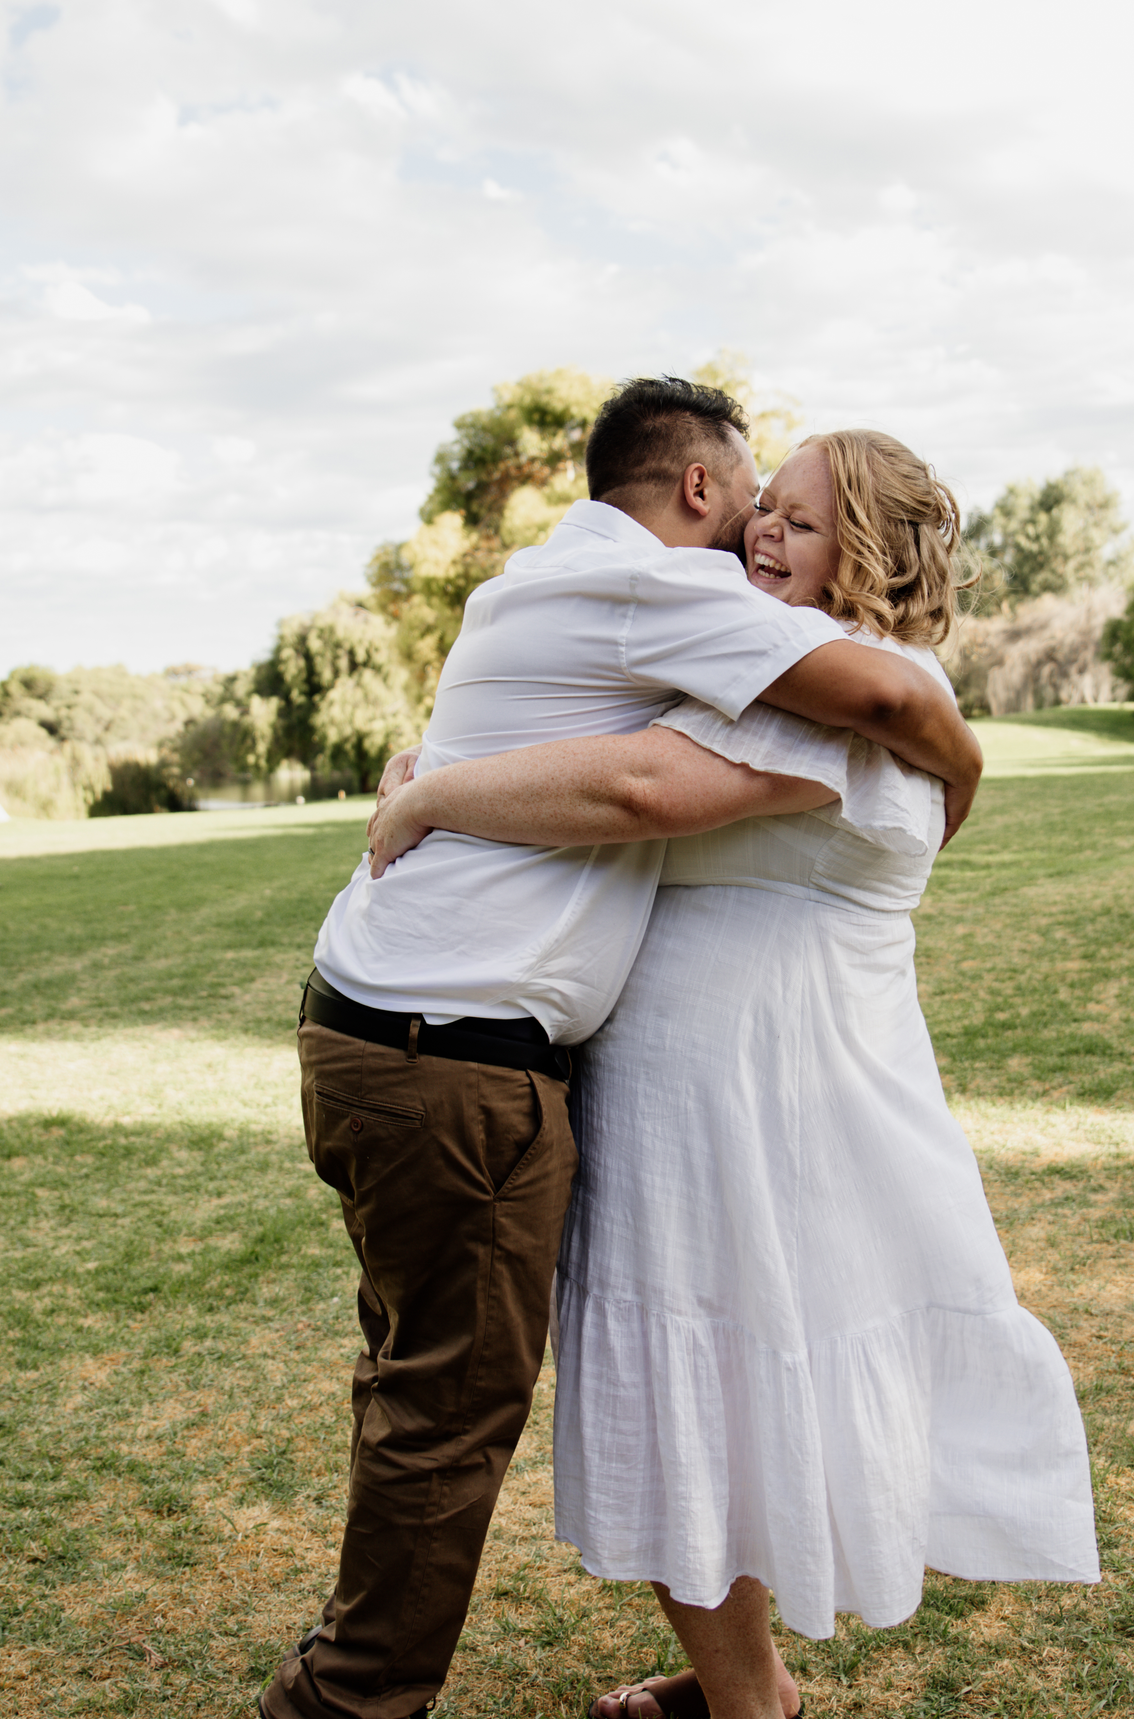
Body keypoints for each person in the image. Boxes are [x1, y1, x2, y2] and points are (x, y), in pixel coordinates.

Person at [260, 379, 983, 1719]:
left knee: (537, 1396)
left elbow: (677, 767)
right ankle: (369, 1700)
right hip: (485, 1060)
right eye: (762, 507)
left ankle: (735, 1689)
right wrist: (962, 757)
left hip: (497, 1056)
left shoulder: (559, 587)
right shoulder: (692, 606)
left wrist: (434, 785)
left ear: (868, 548)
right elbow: (664, 764)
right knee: (510, 1403)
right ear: (700, 490)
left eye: (798, 521)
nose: (760, 534)